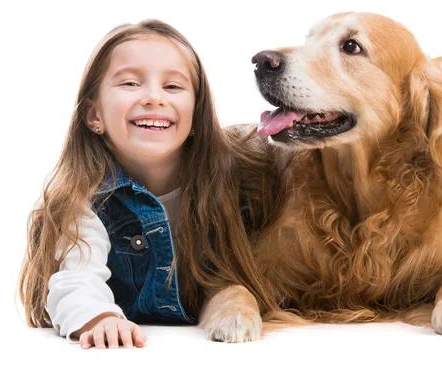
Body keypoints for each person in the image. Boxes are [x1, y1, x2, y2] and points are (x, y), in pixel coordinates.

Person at [18, 19, 279, 349]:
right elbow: (76, 280)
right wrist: (100, 319)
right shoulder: (83, 199)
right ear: (94, 116)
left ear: (197, 113)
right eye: (130, 83)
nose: (154, 97)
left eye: (173, 87)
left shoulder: (232, 180)